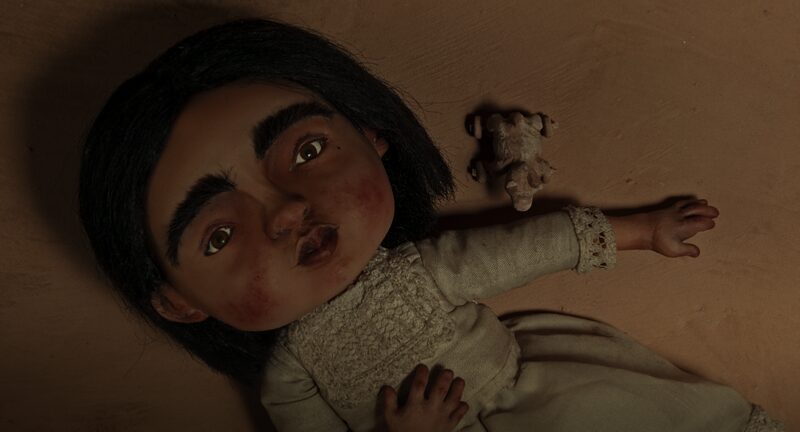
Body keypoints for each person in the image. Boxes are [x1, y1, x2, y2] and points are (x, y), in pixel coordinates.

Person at [78, 18, 783, 431]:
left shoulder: (421, 272)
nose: (288, 212)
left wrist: (642, 229)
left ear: (371, 134)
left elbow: (527, 248)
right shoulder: (289, 379)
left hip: (541, 403)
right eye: (220, 235)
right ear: (179, 301)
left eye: (308, 151)